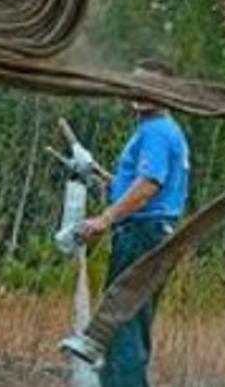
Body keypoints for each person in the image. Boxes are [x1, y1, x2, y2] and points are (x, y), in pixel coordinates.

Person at [77, 58, 191, 387]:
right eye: (136, 83)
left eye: (151, 87)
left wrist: (105, 219)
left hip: (142, 234)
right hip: (151, 233)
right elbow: (142, 186)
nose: (139, 92)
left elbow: (148, 187)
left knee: (122, 323)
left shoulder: (156, 131)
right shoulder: (161, 131)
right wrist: (99, 174)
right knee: (130, 322)